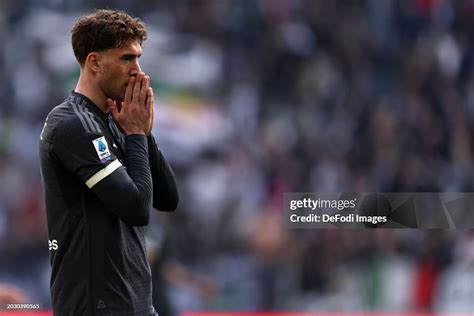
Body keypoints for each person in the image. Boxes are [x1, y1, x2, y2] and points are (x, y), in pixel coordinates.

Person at [38, 9, 179, 316]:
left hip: (135, 305)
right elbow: (137, 207)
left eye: (138, 58)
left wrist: (144, 134)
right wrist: (136, 135)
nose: (138, 70)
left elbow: (168, 199)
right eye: (127, 58)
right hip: (96, 307)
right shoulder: (73, 124)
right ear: (95, 62)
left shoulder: (115, 120)